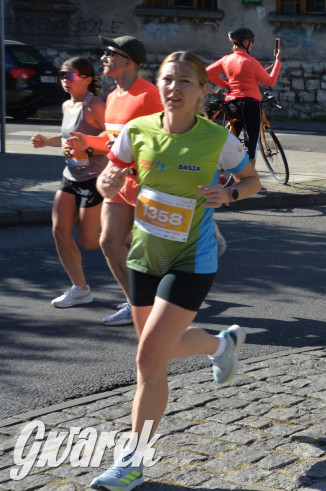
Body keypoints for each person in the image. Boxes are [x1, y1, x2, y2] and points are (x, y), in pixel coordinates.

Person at [89, 51, 261, 491]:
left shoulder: (215, 138)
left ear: (203, 91)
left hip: (191, 259)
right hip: (145, 257)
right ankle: (222, 344)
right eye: (168, 79)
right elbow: (110, 175)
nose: (174, 88)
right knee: (157, 353)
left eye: (185, 81)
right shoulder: (137, 131)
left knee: (148, 358)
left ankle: (132, 461)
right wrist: (105, 183)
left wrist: (230, 196)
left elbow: (252, 181)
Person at [90, 35, 165, 326]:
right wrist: (85, 142)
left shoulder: (149, 95)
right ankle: (136, 304)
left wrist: (136, 169)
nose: (103, 58)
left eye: (109, 53)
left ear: (128, 60)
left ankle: (163, 302)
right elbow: (113, 141)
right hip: (118, 183)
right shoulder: (111, 97)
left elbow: (163, 141)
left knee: (151, 252)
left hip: (146, 184)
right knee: (108, 241)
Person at [32, 57, 107, 308]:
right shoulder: (67, 106)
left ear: (87, 79)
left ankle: (130, 237)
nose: (65, 80)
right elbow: (68, 139)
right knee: (60, 231)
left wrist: (88, 151)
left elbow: (113, 142)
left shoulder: (95, 106)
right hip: (70, 176)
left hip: (94, 179)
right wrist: (46, 141)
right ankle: (80, 289)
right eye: (62, 75)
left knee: (90, 241)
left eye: (71, 76)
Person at [206, 27, 283, 160]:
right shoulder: (253, 63)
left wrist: (225, 85)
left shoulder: (226, 60)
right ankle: (249, 176)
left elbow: (207, 72)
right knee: (250, 146)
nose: (251, 45)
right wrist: (278, 61)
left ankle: (224, 170)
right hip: (250, 105)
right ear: (246, 42)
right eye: (251, 42)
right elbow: (270, 81)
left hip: (232, 104)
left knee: (232, 139)